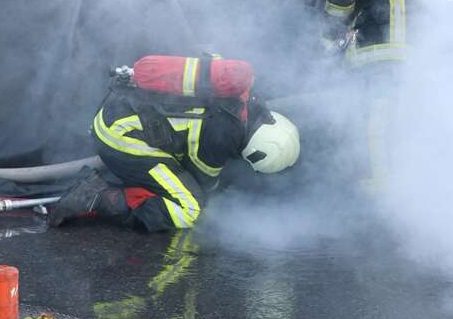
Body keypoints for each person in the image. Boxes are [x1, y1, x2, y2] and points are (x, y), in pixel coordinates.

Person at [47, 56, 300, 231]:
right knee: (189, 207)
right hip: (120, 136)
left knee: (179, 182)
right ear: (258, 154)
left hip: (120, 105)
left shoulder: (245, 95)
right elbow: (203, 180)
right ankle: (97, 197)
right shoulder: (225, 133)